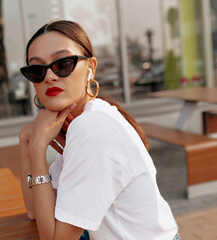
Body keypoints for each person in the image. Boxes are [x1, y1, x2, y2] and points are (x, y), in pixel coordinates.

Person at [19, 20, 179, 240]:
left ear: (90, 68)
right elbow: (35, 212)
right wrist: (26, 139)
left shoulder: (92, 128)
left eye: (63, 64)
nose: (49, 77)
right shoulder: (80, 123)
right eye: (37, 70)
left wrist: (37, 150)